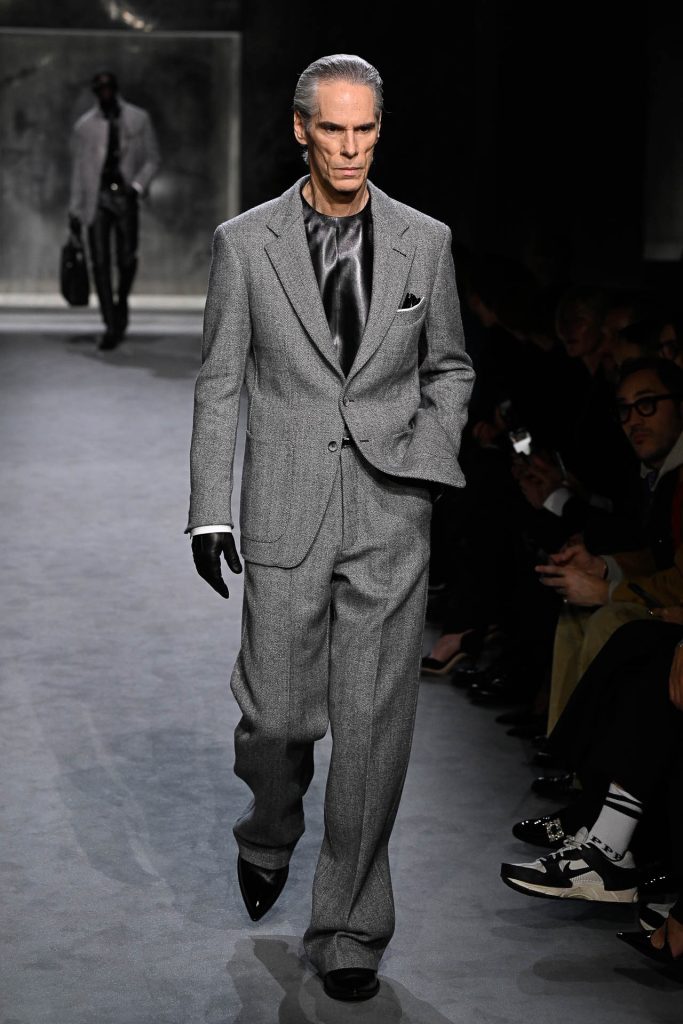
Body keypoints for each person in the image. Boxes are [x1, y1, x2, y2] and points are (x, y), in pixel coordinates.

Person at [185, 54, 474, 1002]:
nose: (350, 149)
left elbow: (450, 366)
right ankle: (270, 827)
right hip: (284, 504)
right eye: (334, 129)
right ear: (301, 129)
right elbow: (221, 380)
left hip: (392, 507)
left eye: (366, 129)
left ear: (378, 131)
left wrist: (428, 455)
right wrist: (208, 509)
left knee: (373, 728)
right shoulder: (245, 243)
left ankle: (350, 928)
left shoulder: (424, 240)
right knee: (275, 717)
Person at [68, 71, 160, 350]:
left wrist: (137, 186)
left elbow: (153, 158)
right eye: (100, 89)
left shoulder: (138, 118)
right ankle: (110, 323)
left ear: (116, 89)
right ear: (95, 93)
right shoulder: (85, 126)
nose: (105, 92)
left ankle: (120, 304)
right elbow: (80, 169)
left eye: (108, 87)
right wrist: (75, 208)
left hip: (125, 196)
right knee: (99, 261)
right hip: (97, 198)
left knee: (127, 258)